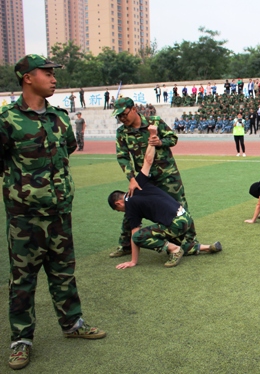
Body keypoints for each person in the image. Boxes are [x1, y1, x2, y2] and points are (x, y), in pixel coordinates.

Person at [1, 54, 106, 370]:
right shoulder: (7, 120)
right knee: (23, 280)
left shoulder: (59, 118)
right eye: (46, 72)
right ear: (27, 78)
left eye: (53, 73)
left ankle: (72, 323)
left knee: (63, 272)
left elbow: (67, 149)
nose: (53, 77)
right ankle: (21, 340)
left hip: (59, 212)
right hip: (25, 218)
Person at [108, 125, 222, 269]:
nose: (122, 212)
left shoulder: (129, 204)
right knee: (169, 237)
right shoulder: (139, 184)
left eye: (119, 210)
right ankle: (206, 247)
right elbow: (148, 160)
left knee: (140, 237)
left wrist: (133, 261)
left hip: (175, 224)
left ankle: (174, 250)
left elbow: (135, 236)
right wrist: (152, 135)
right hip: (186, 218)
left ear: (118, 203)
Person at [111, 97, 195, 258]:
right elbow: (122, 157)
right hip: (144, 178)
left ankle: (190, 242)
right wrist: (131, 178)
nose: (122, 118)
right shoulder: (122, 132)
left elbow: (173, 138)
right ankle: (126, 245)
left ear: (134, 109)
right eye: (119, 116)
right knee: (131, 205)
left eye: (124, 114)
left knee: (180, 206)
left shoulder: (154, 122)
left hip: (167, 174)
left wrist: (160, 142)